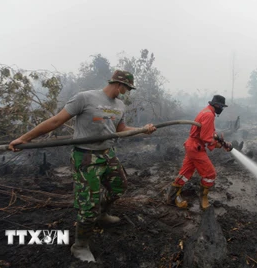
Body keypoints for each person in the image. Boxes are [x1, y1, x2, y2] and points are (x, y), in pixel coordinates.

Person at [8, 70, 156, 263]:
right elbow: (55, 121)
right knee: (88, 206)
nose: (126, 92)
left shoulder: (119, 105)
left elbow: (120, 130)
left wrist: (142, 130)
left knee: (119, 187)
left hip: (107, 154)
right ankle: (80, 245)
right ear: (119, 85)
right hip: (85, 157)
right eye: (127, 88)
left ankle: (102, 214)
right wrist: (24, 138)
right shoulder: (85, 98)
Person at [166, 95, 232, 210]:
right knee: (210, 174)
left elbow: (209, 132)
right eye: (221, 107)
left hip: (192, 146)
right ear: (217, 105)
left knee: (186, 172)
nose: (221, 109)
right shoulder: (209, 114)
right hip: (196, 147)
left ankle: (171, 197)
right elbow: (206, 137)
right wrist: (219, 145)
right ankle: (203, 198)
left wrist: (222, 141)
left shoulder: (206, 112)